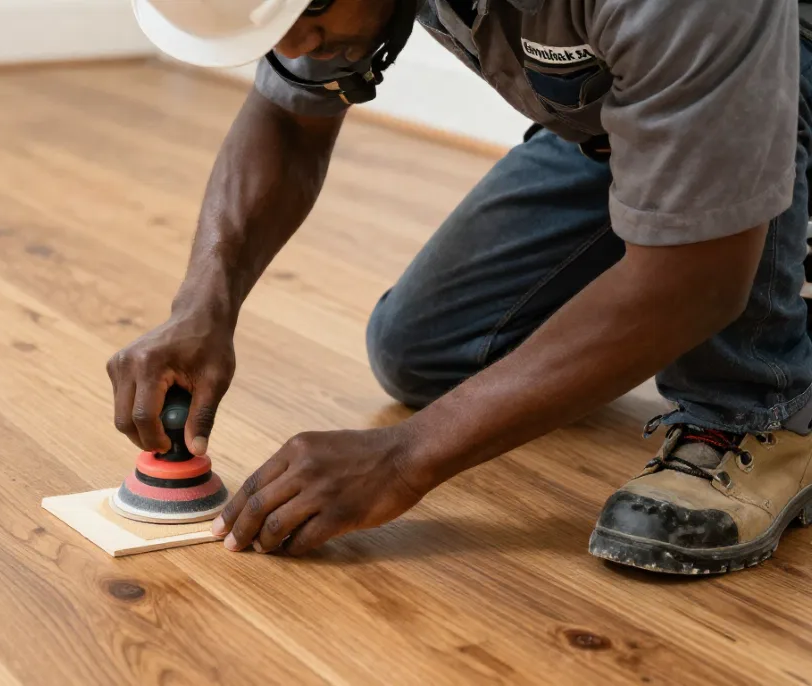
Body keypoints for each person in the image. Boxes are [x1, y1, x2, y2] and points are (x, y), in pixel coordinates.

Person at [107, 0, 812, 575]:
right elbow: (291, 121)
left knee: (715, 215)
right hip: (630, 122)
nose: (297, 44)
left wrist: (404, 458)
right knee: (425, 351)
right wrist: (203, 305)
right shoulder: (314, 14)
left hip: (770, 84)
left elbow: (697, 278)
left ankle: (762, 410)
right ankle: (672, 204)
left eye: (309, 11)